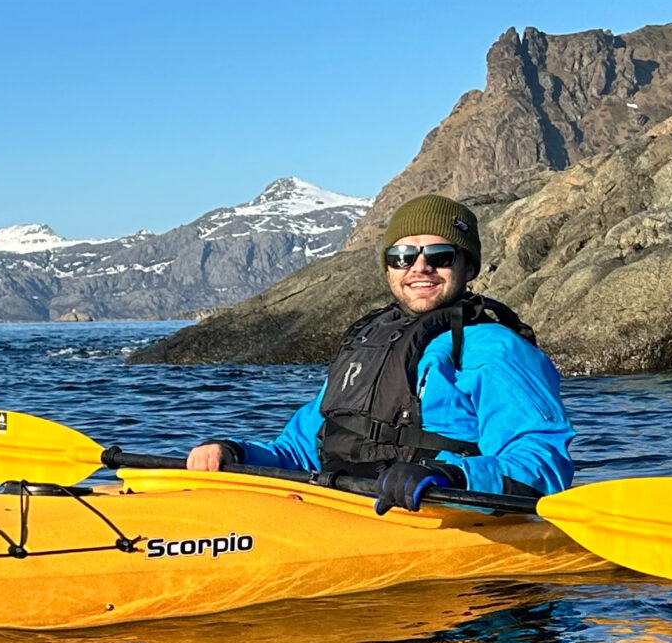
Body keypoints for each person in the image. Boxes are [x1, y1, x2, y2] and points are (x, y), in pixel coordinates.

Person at [184, 194, 573, 509]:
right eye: (402, 256)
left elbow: (542, 465)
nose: (420, 267)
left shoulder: (498, 349)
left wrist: (452, 477)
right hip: (341, 509)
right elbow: (299, 452)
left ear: (468, 267)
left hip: (436, 518)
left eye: (439, 255)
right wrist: (233, 453)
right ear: (388, 268)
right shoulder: (366, 343)